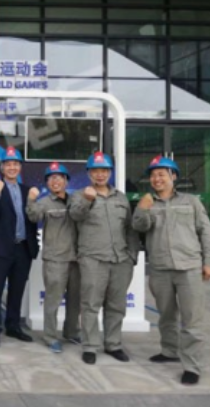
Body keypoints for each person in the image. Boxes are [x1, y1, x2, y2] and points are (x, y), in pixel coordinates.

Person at [132, 155, 210, 386]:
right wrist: (143, 209)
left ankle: (192, 366)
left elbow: (205, 231)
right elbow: (139, 227)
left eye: (162, 174)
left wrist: (208, 261)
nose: (157, 179)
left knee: (193, 319)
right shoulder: (147, 202)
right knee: (166, 315)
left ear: (173, 176)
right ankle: (169, 351)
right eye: (153, 175)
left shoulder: (191, 202)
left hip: (189, 267)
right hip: (160, 268)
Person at [69, 151, 140, 365]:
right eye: (95, 171)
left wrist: (132, 255)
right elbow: (75, 215)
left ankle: (113, 344)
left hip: (120, 259)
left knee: (116, 305)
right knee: (91, 304)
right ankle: (90, 346)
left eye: (104, 170)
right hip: (93, 258)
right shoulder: (79, 195)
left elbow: (130, 228)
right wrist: (88, 200)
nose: (100, 175)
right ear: (89, 173)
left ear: (110, 173)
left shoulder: (121, 197)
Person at [0, 146, 39, 349]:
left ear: (20, 167)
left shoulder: (27, 191)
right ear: (2, 167)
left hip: (23, 248)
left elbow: (33, 219)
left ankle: (13, 326)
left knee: (17, 291)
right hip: (1, 249)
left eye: (16, 164)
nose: (12, 167)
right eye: (8, 164)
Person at [26, 162, 80, 354]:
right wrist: (31, 200)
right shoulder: (44, 203)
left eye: (59, 177)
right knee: (53, 300)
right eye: (51, 178)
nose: (55, 181)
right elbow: (33, 216)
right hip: (55, 259)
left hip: (77, 259)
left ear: (66, 181)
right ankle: (50, 336)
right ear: (47, 183)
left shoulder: (76, 200)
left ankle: (71, 332)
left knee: (75, 299)